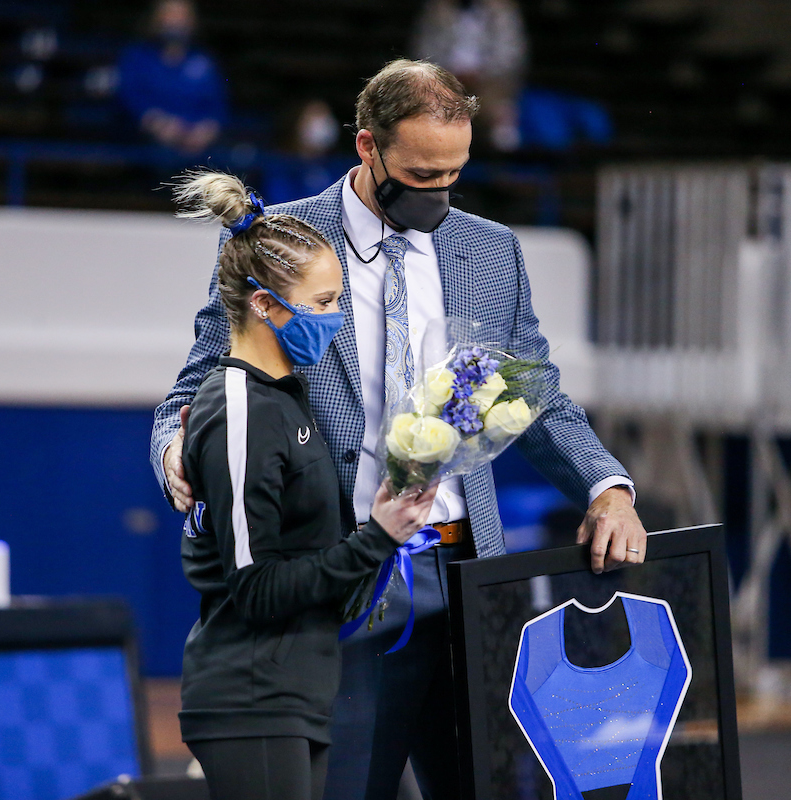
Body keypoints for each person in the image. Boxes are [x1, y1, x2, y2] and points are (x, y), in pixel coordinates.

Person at [152, 60, 646, 800]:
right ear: (366, 147)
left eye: (454, 173)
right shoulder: (285, 239)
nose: (439, 194)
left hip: (465, 574)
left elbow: (531, 393)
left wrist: (605, 486)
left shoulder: (492, 251)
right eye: (420, 174)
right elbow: (197, 381)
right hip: (341, 578)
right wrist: (172, 450)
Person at [172, 171, 438, 800]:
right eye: (322, 303)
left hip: (296, 691)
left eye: (338, 299)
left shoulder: (289, 399)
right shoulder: (238, 405)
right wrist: (376, 539)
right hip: (250, 694)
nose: (337, 318)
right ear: (263, 304)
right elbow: (256, 587)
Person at [412, 0, 528, 151]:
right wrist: (448, 73)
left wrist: (483, 74)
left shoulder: (502, 11)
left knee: (502, 119)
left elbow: (510, 54)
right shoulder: (436, 9)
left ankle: (502, 159)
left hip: (490, 80)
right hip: (446, 79)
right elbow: (424, 50)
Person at [117, 0, 229, 154]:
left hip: (199, 146)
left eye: (182, 15)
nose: (176, 21)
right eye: (170, 14)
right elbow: (129, 96)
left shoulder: (204, 60)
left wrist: (207, 129)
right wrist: (156, 123)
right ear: (156, 18)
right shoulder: (136, 56)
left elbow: (218, 103)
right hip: (144, 143)